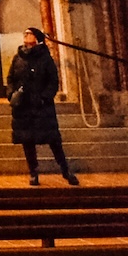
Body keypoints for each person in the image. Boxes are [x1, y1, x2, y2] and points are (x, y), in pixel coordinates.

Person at [6, 26, 78, 185]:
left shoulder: (45, 58)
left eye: (29, 33)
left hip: (41, 106)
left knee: (53, 140)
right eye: (25, 33)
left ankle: (65, 169)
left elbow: (53, 81)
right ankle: (33, 172)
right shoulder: (18, 57)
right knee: (27, 140)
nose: (26, 36)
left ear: (37, 38)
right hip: (23, 107)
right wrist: (11, 94)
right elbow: (11, 78)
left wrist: (44, 97)